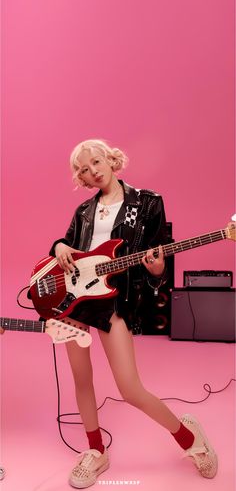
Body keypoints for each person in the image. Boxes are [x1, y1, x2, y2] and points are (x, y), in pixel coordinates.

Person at [2, 139, 218, 488]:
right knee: (81, 379)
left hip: (114, 300)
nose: (93, 171)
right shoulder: (84, 211)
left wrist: (157, 268)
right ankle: (95, 450)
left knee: (130, 388)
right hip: (75, 301)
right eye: (85, 169)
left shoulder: (147, 202)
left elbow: (159, 262)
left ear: (111, 160)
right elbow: (70, 248)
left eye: (97, 162)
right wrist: (58, 246)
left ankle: (189, 438)